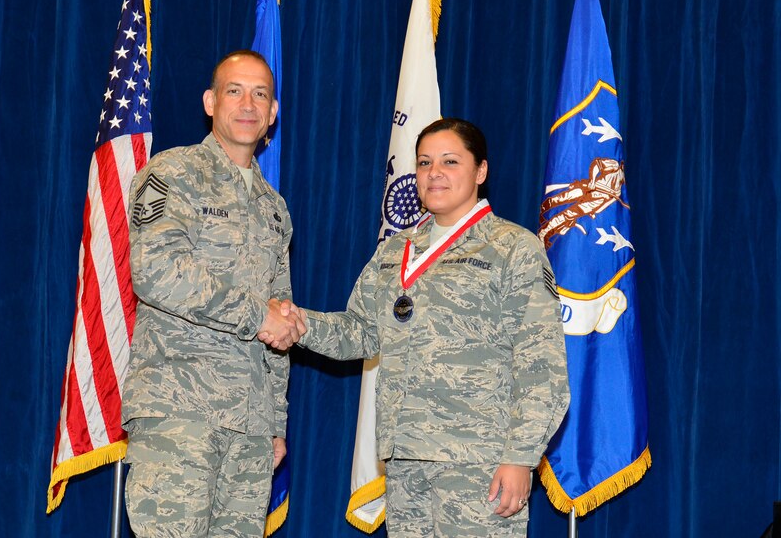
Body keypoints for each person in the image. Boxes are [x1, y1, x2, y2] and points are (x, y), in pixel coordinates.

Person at [265, 118, 569, 538]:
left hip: (478, 461)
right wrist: (298, 323)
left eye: (450, 161)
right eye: (424, 163)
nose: (434, 173)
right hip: (405, 459)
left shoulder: (513, 248)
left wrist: (520, 458)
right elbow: (360, 332)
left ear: (481, 171)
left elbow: (542, 367)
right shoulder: (394, 250)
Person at [121, 50, 306, 538]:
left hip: (250, 425)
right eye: (234, 91)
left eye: (260, 94)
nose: (248, 104)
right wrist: (257, 316)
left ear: (273, 113)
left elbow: (280, 318)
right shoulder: (174, 173)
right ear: (210, 101)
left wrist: (275, 420)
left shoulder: (274, 208)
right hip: (179, 412)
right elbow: (157, 271)